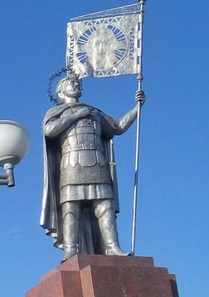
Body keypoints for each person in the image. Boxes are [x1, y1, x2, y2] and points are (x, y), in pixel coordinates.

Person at [40, 74, 144, 259]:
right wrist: (74, 115)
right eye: (71, 83)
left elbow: (117, 127)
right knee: (71, 208)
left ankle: (112, 246)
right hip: (71, 165)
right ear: (60, 90)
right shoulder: (57, 112)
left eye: (77, 82)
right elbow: (49, 130)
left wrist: (136, 109)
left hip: (98, 162)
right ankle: (71, 250)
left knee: (105, 206)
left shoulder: (94, 112)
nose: (76, 84)